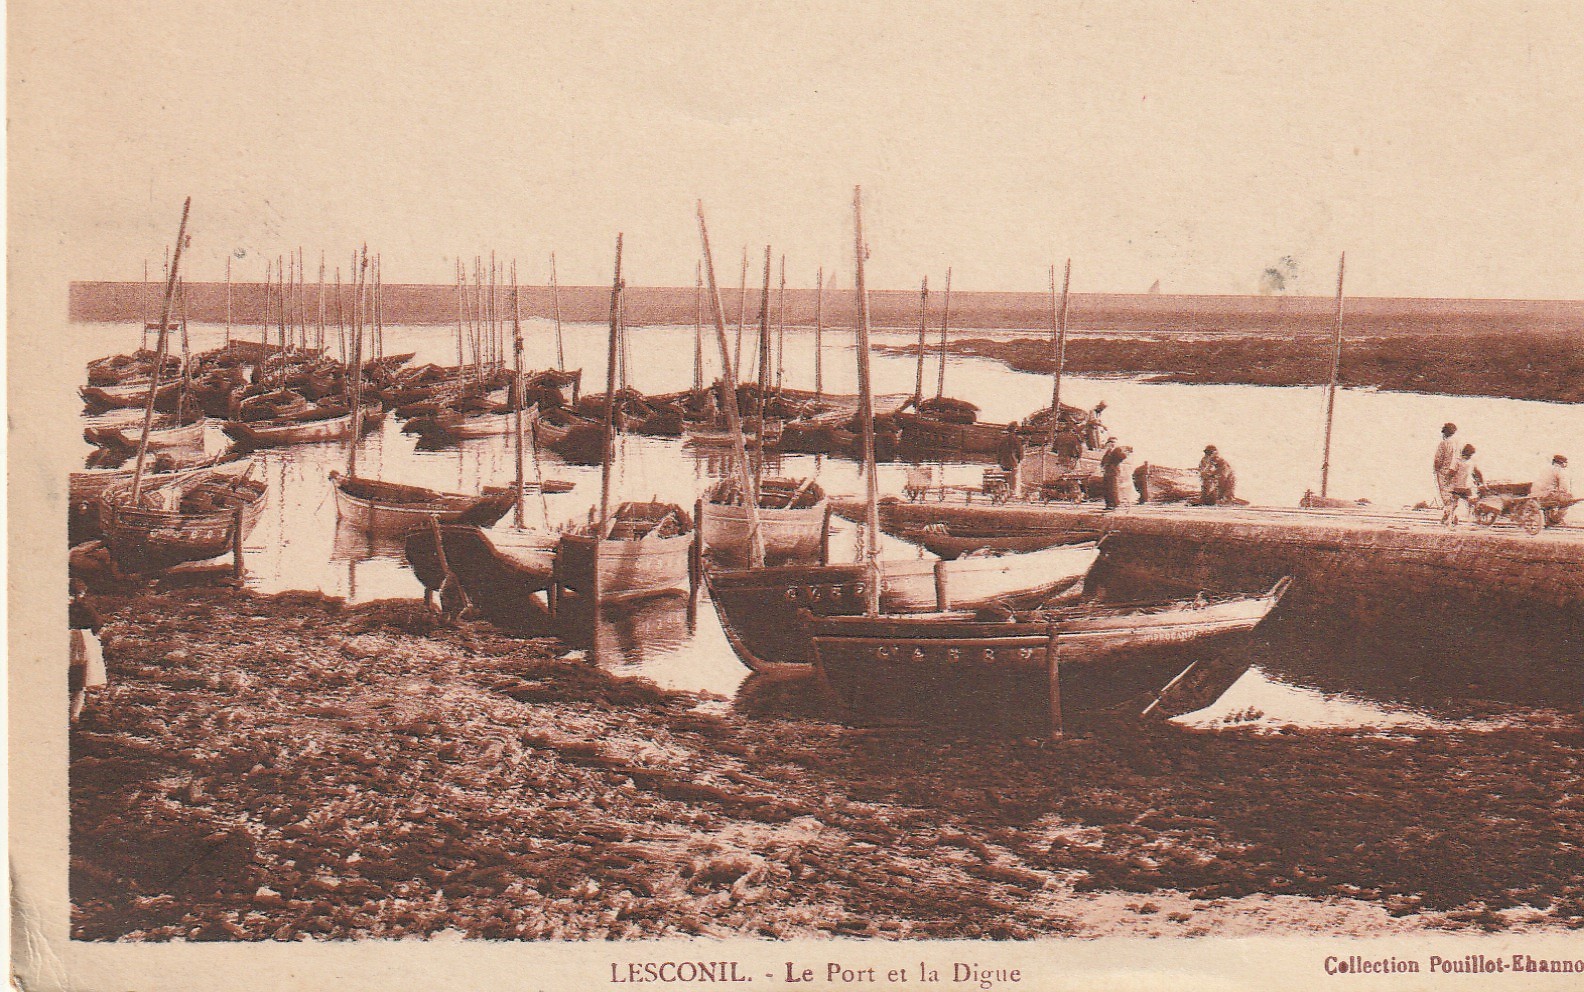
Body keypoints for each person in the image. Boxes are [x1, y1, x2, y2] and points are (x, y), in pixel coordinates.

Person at [69, 580, 107, 723]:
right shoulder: (85, 607)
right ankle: (74, 715)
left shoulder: (56, 606)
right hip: (80, 643)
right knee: (78, 682)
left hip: (60, 640)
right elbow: (98, 625)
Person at [1442, 444, 1482, 526]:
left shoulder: (1471, 462)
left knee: (1470, 504)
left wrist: (1479, 482)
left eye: (1471, 454)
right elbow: (1451, 472)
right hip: (1458, 486)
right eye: (1469, 453)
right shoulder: (1457, 461)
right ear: (1465, 452)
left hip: (1466, 487)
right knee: (1455, 504)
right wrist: (1447, 481)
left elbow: (1476, 473)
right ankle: (1450, 518)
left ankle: (1472, 520)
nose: (1470, 456)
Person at [1536, 454, 1573, 525]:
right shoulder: (1560, 471)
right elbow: (1564, 487)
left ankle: (1549, 519)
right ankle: (1557, 519)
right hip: (1548, 495)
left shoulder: (1545, 469)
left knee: (1551, 498)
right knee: (1568, 499)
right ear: (1562, 463)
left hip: (1537, 495)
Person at [1433, 422, 1459, 508]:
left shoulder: (1443, 443)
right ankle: (1453, 511)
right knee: (1454, 494)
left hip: (1444, 471)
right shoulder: (1457, 443)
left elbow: (1438, 459)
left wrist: (1436, 470)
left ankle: (1448, 511)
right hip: (1455, 471)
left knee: (1445, 494)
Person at [1101, 442, 1131, 509]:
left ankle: (1114, 503)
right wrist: (1103, 467)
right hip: (1107, 471)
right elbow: (1103, 461)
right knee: (1107, 488)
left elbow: (1120, 458)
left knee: (1112, 488)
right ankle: (1109, 504)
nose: (1108, 445)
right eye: (1108, 444)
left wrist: (1125, 453)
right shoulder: (1108, 452)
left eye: (1110, 444)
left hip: (1113, 471)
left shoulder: (1117, 450)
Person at [996, 421, 1025, 491]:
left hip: (1003, 463)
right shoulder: (1016, 440)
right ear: (1015, 430)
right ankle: (1011, 491)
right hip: (1012, 463)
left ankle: (1004, 490)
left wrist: (999, 461)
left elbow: (999, 451)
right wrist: (1019, 459)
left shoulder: (1003, 439)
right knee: (1012, 480)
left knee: (1005, 478)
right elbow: (1020, 451)